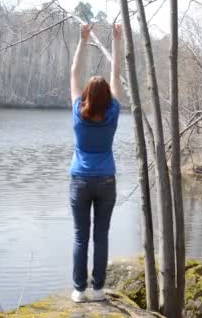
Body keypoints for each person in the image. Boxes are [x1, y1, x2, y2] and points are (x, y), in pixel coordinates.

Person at [68, 23, 122, 303]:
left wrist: (82, 41)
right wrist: (117, 41)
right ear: (107, 98)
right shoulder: (113, 113)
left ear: (87, 95)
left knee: (81, 237)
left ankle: (79, 291)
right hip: (106, 181)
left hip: (80, 181)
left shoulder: (78, 112)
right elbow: (116, 73)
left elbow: (74, 73)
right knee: (101, 236)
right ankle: (98, 289)